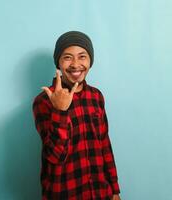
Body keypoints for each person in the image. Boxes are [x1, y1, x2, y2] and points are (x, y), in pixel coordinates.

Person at [32, 31, 121, 200]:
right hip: (64, 193)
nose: (75, 64)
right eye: (67, 57)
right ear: (58, 62)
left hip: (100, 192)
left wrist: (114, 189)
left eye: (82, 57)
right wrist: (60, 111)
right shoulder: (43, 101)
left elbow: (104, 144)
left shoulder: (96, 96)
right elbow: (55, 155)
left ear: (90, 61)